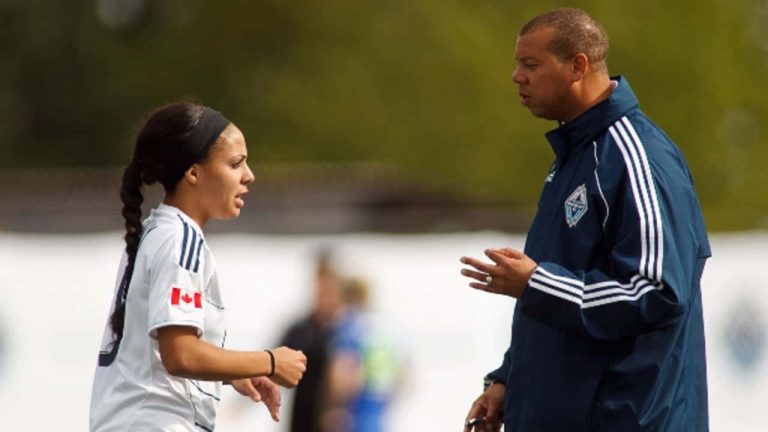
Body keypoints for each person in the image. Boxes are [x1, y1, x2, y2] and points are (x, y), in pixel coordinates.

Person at [459, 8, 710, 431]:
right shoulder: (575, 157)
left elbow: (657, 291)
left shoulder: (637, 157)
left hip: (626, 419)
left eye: (530, 64)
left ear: (577, 66)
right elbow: (563, 299)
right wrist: (508, 380)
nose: (516, 76)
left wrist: (536, 283)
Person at [89, 102, 307, 431]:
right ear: (193, 172)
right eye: (236, 164)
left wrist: (234, 372)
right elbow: (181, 354)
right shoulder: (181, 240)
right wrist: (270, 360)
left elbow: (161, 352)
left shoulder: (153, 233)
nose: (249, 175)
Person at [322, 277, 403, 432]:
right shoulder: (383, 328)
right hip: (379, 415)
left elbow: (343, 375)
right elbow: (403, 376)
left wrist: (334, 407)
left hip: (354, 416)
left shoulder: (349, 327)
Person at [279, 247, 343, 432]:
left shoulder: (346, 330)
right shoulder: (300, 329)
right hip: (302, 419)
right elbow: (270, 366)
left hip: (335, 420)